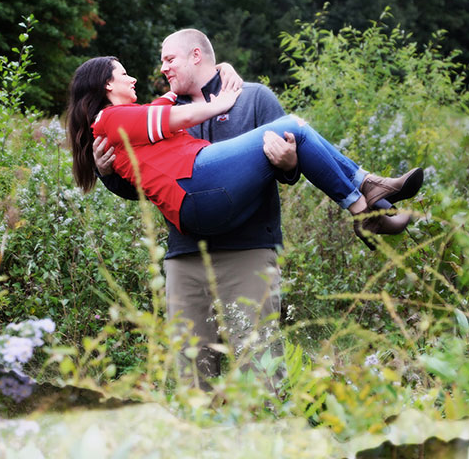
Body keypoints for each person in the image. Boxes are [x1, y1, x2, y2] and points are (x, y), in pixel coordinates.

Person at [67, 34, 423, 387]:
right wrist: (106, 171)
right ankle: (366, 199)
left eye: (169, 60)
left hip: (245, 247)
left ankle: (367, 199)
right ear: (107, 86)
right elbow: (143, 183)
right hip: (188, 245)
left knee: (260, 372)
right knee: (193, 376)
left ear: (195, 56)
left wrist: (288, 160)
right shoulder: (131, 116)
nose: (160, 69)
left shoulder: (251, 97)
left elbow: (293, 169)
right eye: (126, 72)